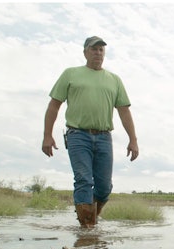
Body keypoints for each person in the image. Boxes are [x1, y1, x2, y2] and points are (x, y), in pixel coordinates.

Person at [42, 36, 138, 228]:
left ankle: (91, 220)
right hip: (78, 135)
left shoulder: (114, 80)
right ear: (85, 52)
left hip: (104, 137)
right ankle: (87, 228)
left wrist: (133, 140)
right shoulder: (71, 74)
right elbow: (54, 105)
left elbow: (124, 111)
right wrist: (47, 135)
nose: (98, 53)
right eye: (94, 49)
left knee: (104, 187)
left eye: (101, 50)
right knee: (84, 180)